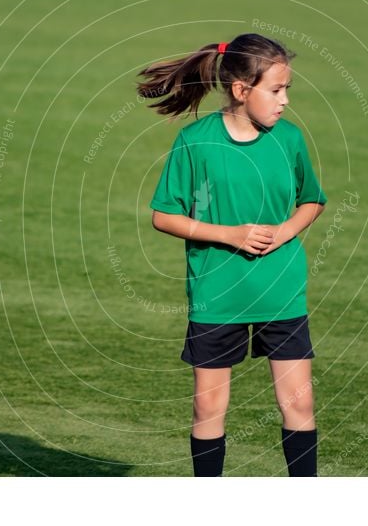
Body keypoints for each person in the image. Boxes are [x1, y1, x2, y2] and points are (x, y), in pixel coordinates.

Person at [138, 33, 327, 477]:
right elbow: (164, 216)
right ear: (242, 90)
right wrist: (230, 235)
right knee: (208, 404)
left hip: (280, 291)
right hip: (217, 294)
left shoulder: (290, 140)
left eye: (287, 90)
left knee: (299, 402)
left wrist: (283, 232)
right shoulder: (196, 141)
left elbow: (312, 200)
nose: (284, 101)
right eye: (275, 90)